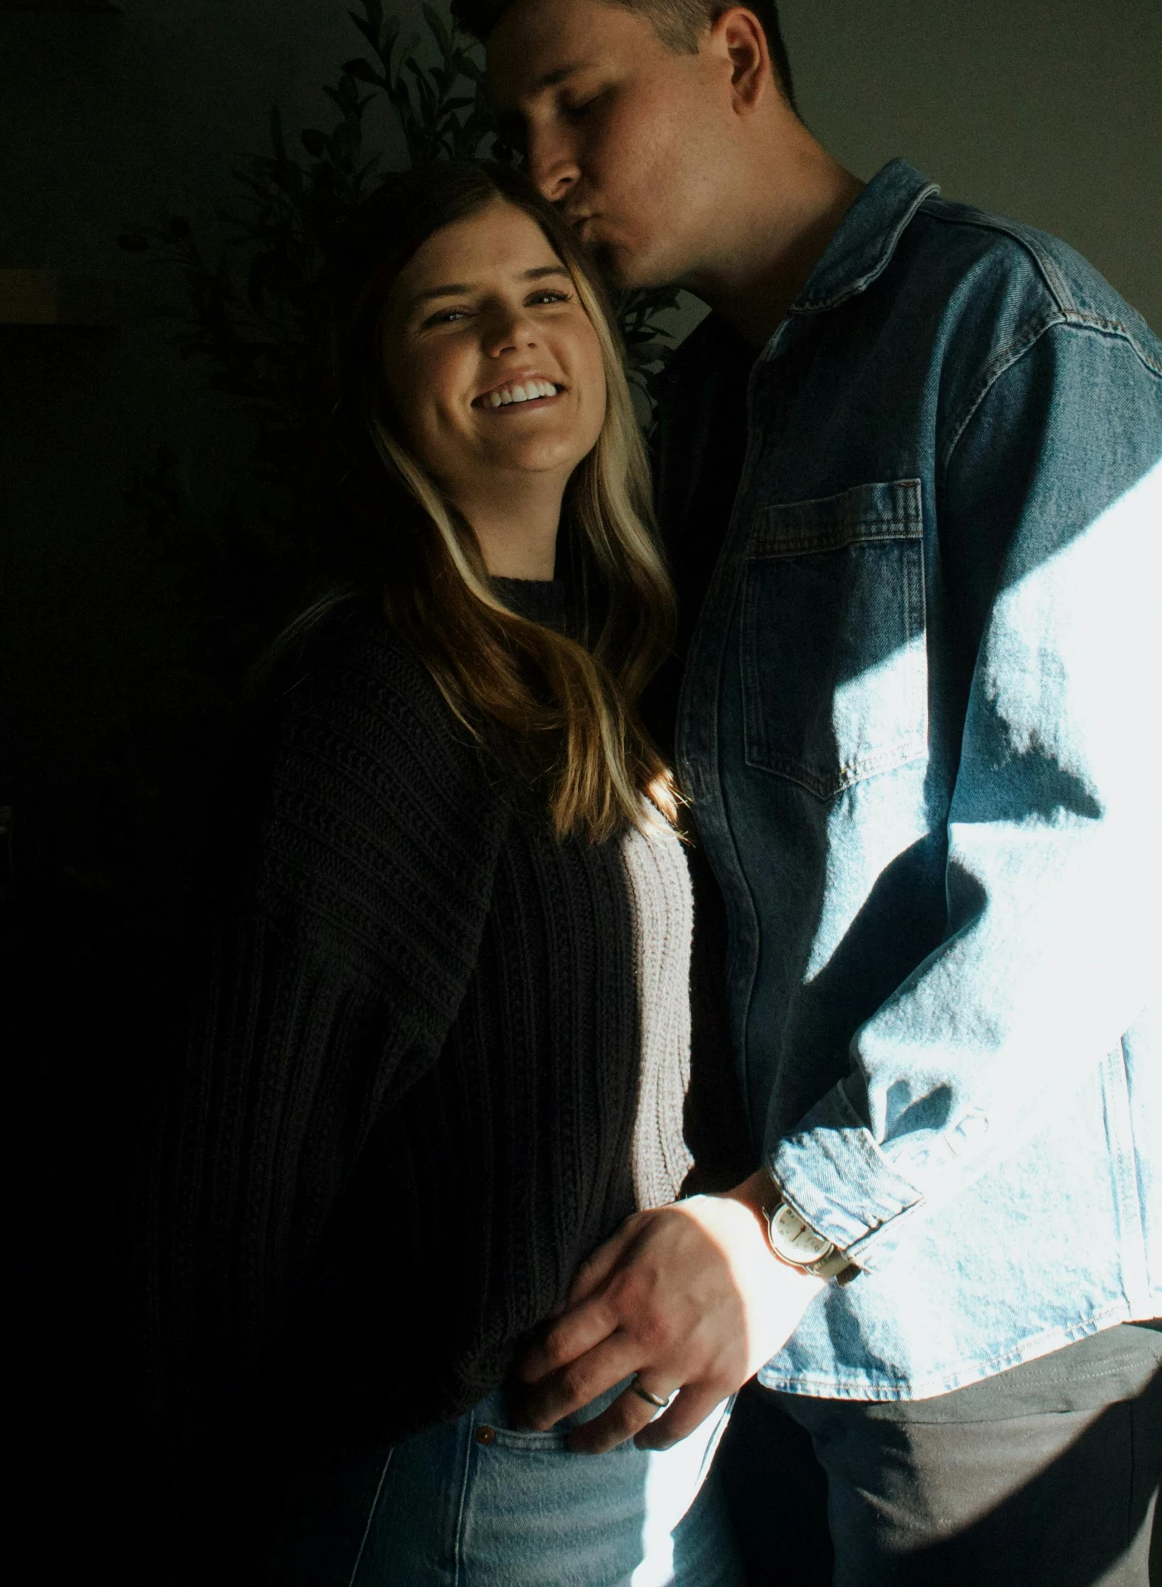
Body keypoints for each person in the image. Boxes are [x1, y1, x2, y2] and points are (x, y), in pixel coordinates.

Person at [455, 0, 1162, 1584]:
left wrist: (788, 1221)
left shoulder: (1012, 336)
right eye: (515, 128)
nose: (543, 163)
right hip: (790, 1274)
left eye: (577, 99)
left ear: (736, 53)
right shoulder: (707, 401)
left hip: (993, 1285)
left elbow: (1103, 853)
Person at [140, 158, 742, 1587]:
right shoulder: (383, 691)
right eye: (448, 313)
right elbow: (228, 1169)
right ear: (377, 390)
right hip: (475, 1463)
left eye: (544, 293)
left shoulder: (608, 655)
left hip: (642, 1435)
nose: (513, 334)